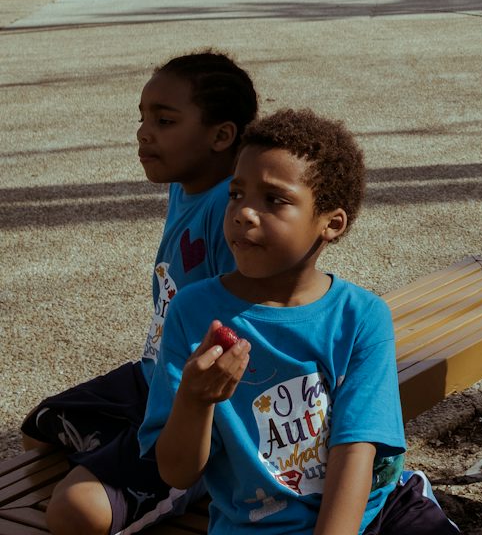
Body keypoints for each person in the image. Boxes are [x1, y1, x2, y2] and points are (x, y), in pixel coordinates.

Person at [140, 109, 458, 535]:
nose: (244, 214)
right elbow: (177, 473)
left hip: (378, 509)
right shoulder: (194, 313)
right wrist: (196, 401)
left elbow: (355, 450)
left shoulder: (359, 317)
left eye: (274, 199)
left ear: (331, 223)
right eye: (236, 194)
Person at [21, 52, 259, 535]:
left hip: (198, 405)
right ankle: (131, 449)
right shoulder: (184, 184)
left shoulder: (231, 210)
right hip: (154, 377)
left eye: (164, 120)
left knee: (74, 512)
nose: (143, 132)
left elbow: (252, 326)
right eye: (143, 117)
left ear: (221, 136)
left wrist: (199, 420)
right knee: (39, 428)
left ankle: (202, 473)